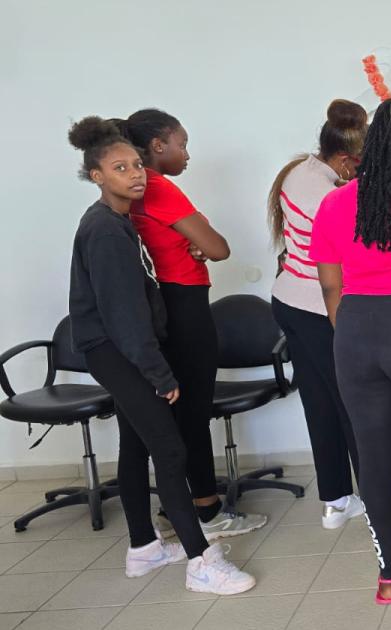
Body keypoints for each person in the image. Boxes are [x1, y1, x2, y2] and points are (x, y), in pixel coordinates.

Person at [66, 117, 255, 595]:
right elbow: (124, 316)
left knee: (135, 443)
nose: (136, 174)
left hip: (115, 348)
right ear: (97, 177)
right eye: (119, 168)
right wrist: (158, 372)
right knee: (169, 448)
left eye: (136, 165)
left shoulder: (117, 220)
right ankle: (201, 562)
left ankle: (144, 549)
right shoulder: (107, 231)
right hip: (117, 351)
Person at [309, 100, 391, 605]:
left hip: (355, 332)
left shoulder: (335, 203)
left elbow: (329, 288)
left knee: (375, 457)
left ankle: (389, 573)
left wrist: (353, 334)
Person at [117, 109, 267, 539]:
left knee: (178, 410)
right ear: (158, 146)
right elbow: (218, 248)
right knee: (193, 410)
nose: (187, 154)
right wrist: (200, 245)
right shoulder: (158, 186)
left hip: (160, 305)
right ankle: (207, 510)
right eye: (182, 143)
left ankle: (177, 504)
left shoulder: (131, 189)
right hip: (184, 305)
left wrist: (189, 244)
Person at [268, 100, 382, 529]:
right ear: (345, 159)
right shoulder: (328, 193)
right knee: (354, 405)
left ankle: (337, 500)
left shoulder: (303, 172)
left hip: (293, 300)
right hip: (318, 307)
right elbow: (353, 254)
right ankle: (376, 503)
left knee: (321, 404)